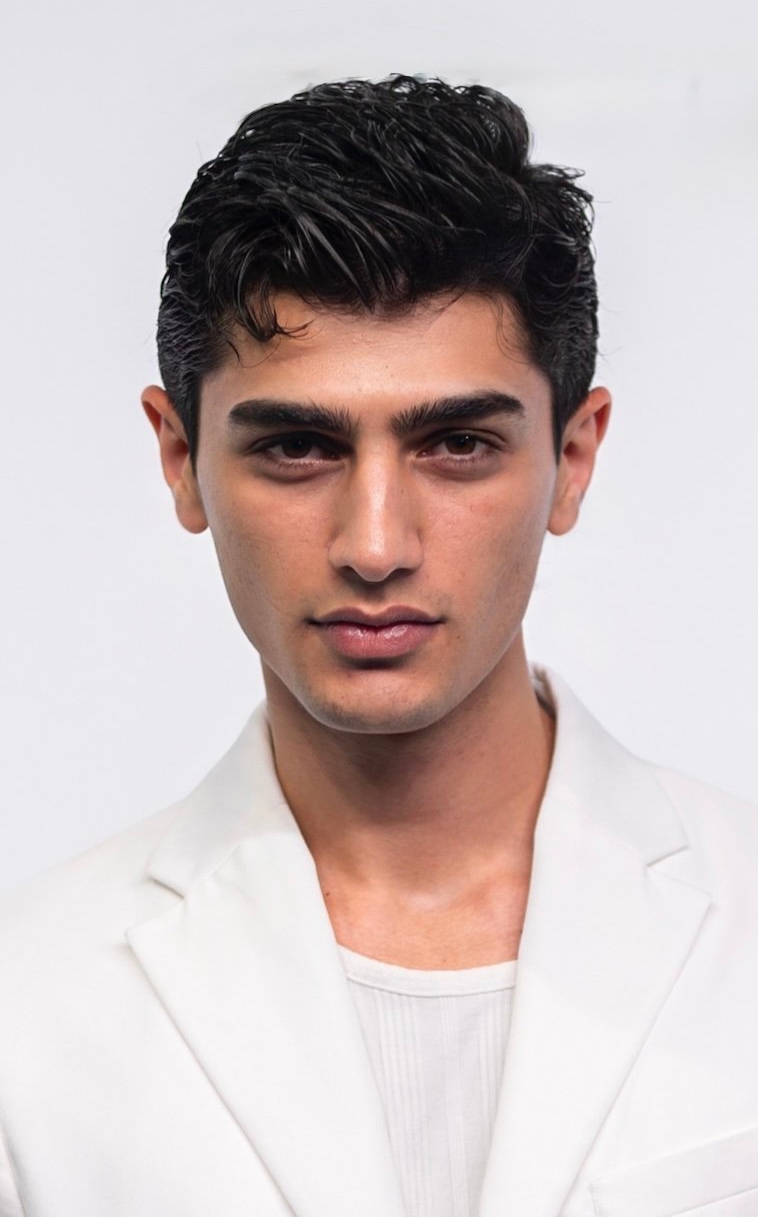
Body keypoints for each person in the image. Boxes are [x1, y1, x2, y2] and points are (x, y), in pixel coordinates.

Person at [1, 75, 757, 1217]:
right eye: (297, 447)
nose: (373, 545)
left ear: (573, 457)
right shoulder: (28, 1006)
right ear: (180, 459)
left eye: (456, 444)